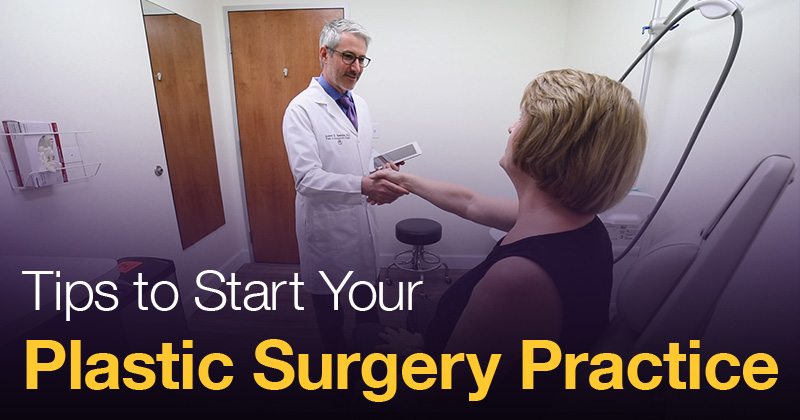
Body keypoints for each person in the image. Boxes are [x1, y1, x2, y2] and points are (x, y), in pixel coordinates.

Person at [365, 69, 647, 413]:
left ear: (547, 144)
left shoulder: (518, 277)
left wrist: (416, 353)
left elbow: (449, 392)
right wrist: (403, 178)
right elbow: (472, 203)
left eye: (523, 118)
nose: (511, 128)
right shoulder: (577, 223)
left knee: (365, 346)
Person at [282, 19, 408, 353]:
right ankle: (338, 380)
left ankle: (374, 370)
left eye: (361, 59)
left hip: (361, 223)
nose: (356, 67)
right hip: (327, 232)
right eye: (348, 57)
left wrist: (380, 169)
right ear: (325, 54)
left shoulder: (359, 105)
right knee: (332, 321)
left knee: (369, 310)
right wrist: (364, 184)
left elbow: (357, 159)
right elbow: (307, 178)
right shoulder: (301, 110)